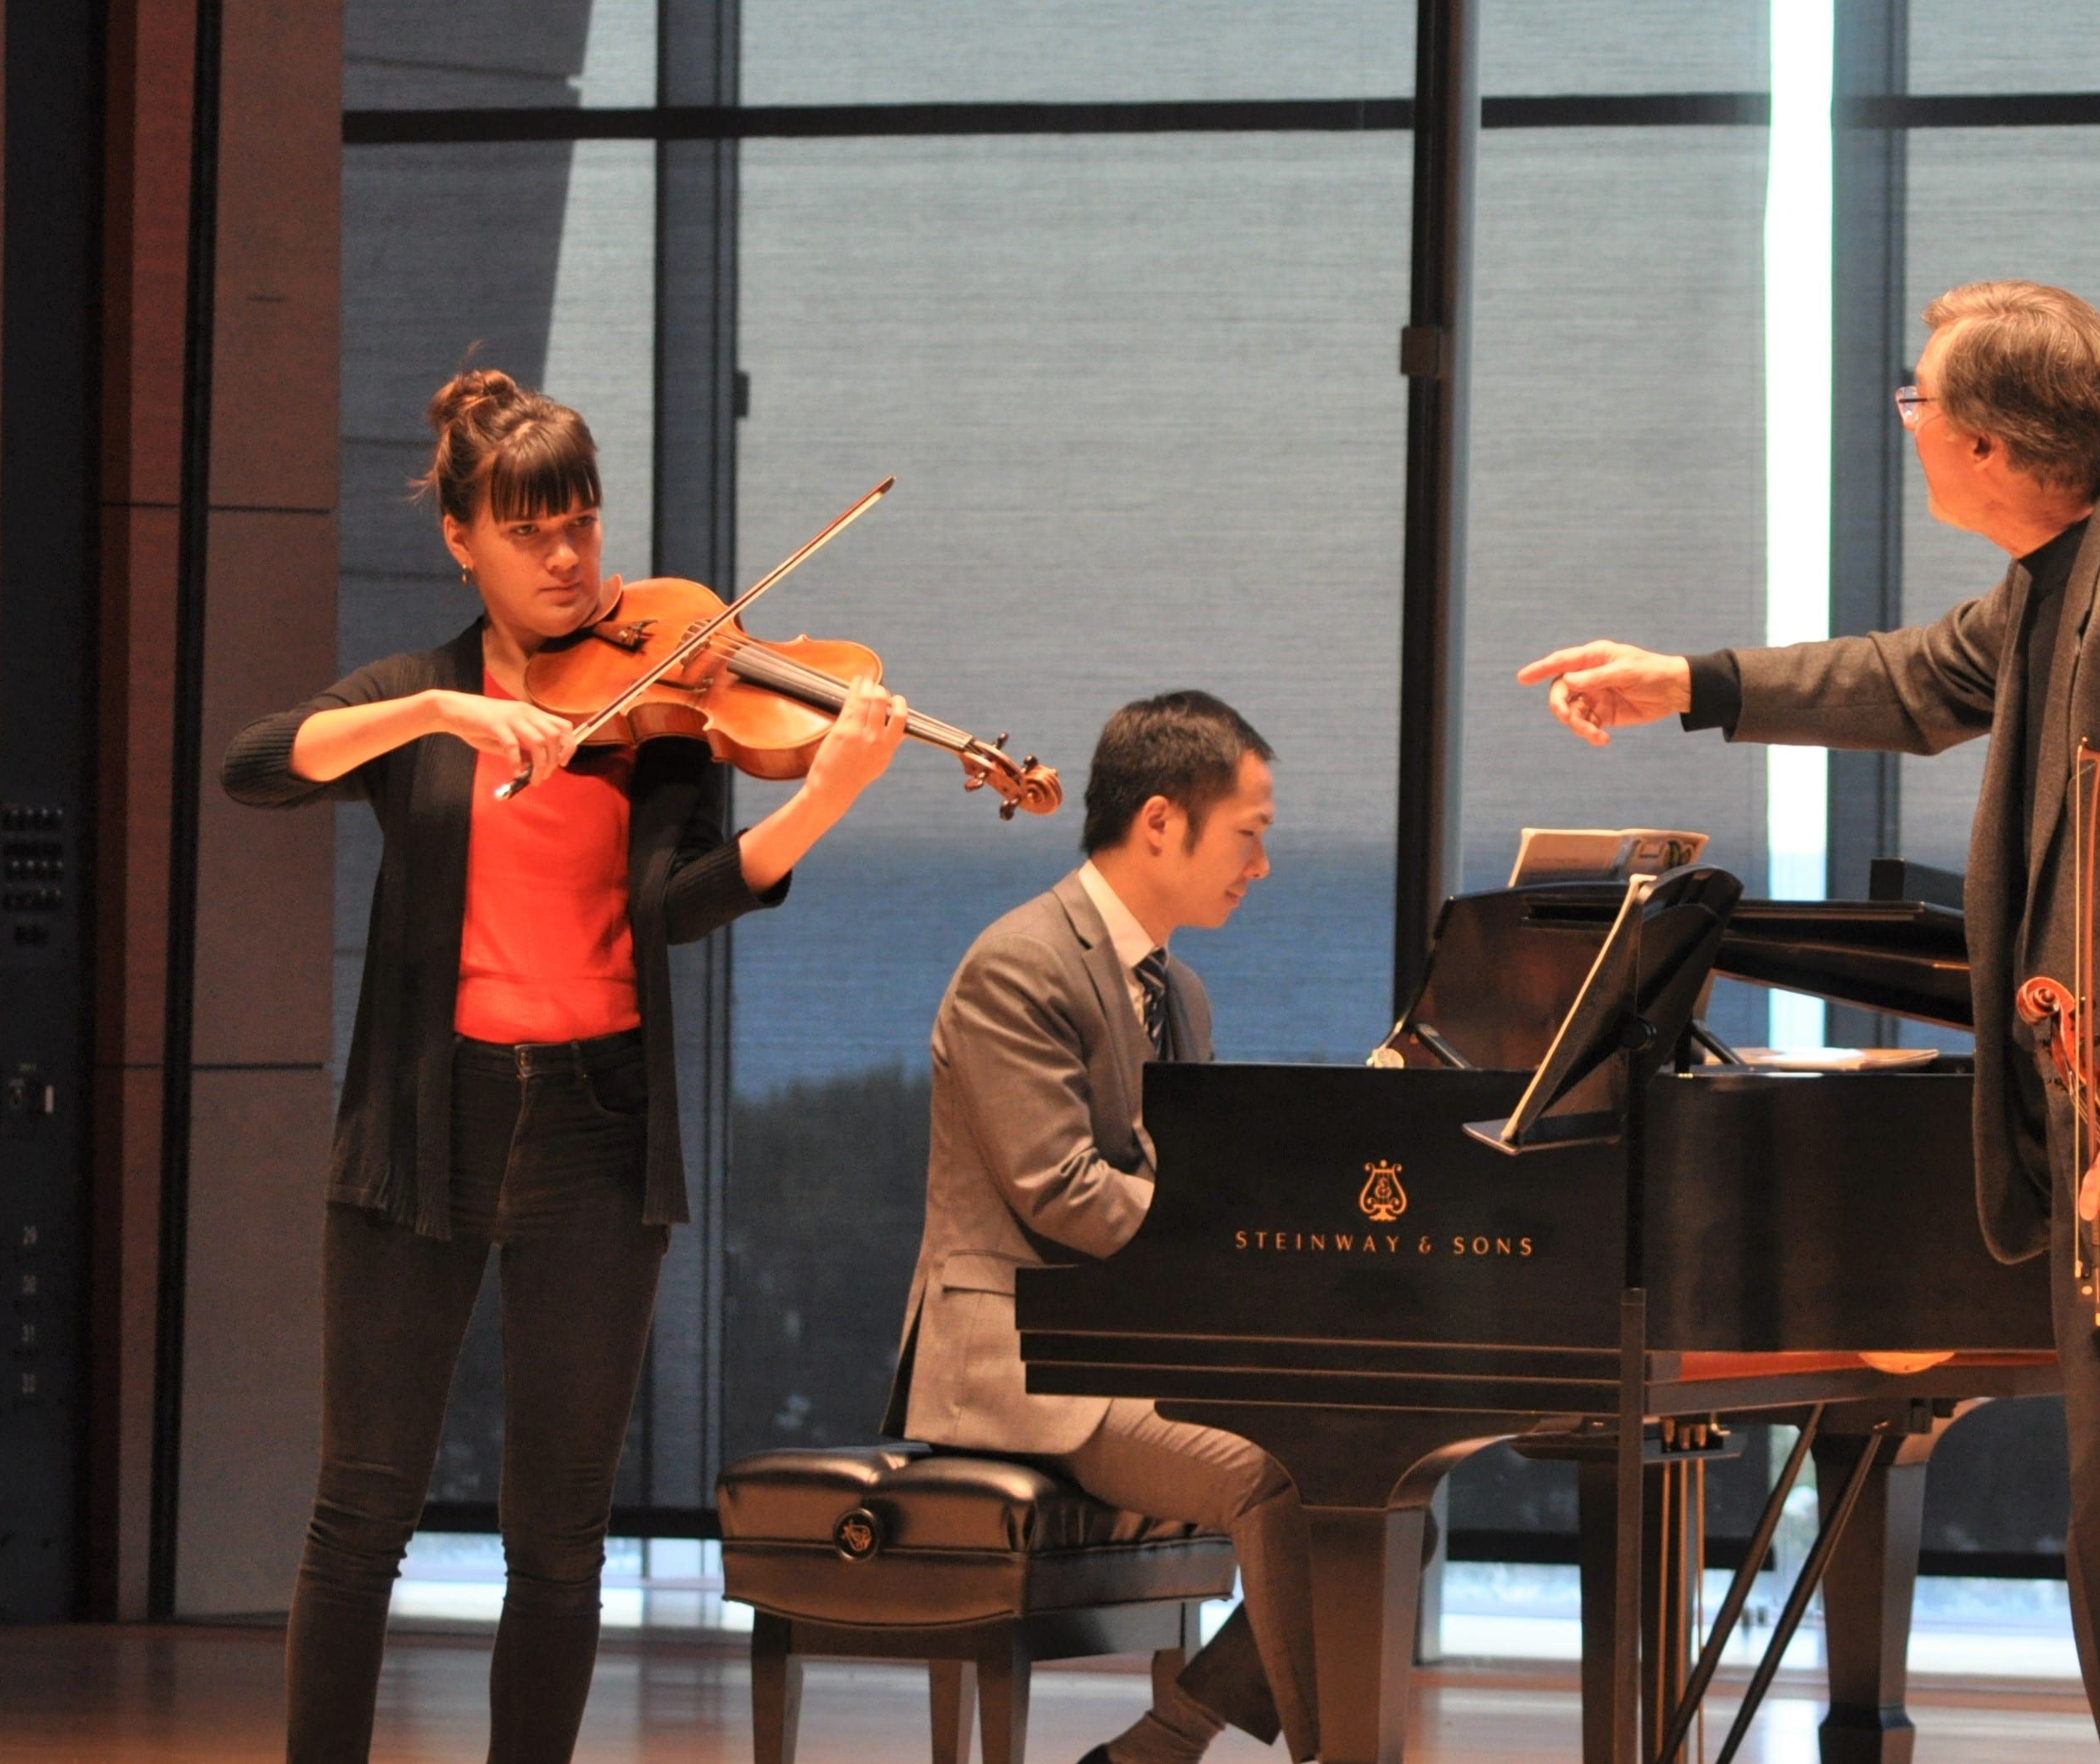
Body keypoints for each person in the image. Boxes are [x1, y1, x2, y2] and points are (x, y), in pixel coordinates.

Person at [1516, 280, 2100, 1762]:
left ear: (1985, 443)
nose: (1905, 418)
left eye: (1916, 397)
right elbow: (1913, 679)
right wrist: (1690, 682)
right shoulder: (2064, 571)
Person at [224, 367, 910, 1764]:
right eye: (531, 531)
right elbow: (255, 763)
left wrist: (822, 801)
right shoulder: (416, 696)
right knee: (360, 1513)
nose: (567, 559)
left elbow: (672, 906)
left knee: (557, 1532)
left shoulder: (662, 706)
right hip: (424, 1123)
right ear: (461, 540)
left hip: (595, 1125)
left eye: (583, 524)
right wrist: (441, 719)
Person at [894, 690, 1313, 1764]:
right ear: (1163, 820)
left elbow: (1193, 1180)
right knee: (1282, 1475)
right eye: (1250, 834)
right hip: (1021, 1364)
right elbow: (1063, 1189)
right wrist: (1235, 1260)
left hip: (1128, 1347)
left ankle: (1158, 1746)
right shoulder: (1020, 963)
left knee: (1383, 1481)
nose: (1261, 866)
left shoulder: (1183, 991)